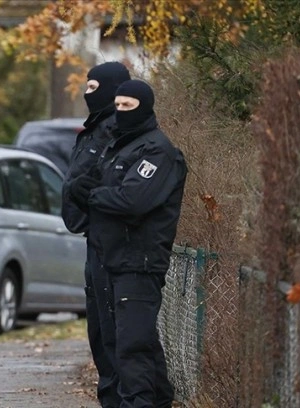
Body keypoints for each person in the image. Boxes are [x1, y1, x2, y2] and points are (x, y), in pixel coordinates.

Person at [69, 79, 186, 408]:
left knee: (133, 349)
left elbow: (133, 200)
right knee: (125, 347)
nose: (120, 113)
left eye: (127, 107)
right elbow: (88, 185)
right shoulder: (117, 147)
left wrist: (93, 195)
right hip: (111, 260)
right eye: (117, 106)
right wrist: (91, 192)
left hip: (138, 263)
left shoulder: (159, 151)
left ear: (144, 108)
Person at [62, 61, 131, 408]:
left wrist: (82, 193)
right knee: (100, 332)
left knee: (115, 335)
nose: (86, 94)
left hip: (113, 245)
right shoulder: (94, 129)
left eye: (93, 88)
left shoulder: (114, 130)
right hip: (95, 243)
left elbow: (108, 184)